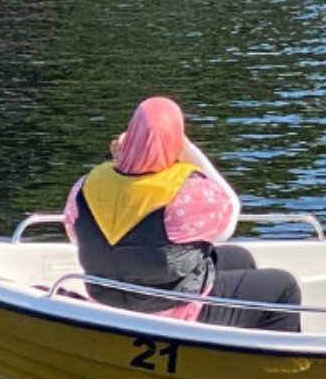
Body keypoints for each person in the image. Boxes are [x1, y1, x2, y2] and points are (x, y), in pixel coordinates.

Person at [64, 95, 302, 331]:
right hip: (174, 311)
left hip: (109, 304)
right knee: (284, 287)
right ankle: (272, 355)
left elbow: (79, 237)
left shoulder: (84, 188)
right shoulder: (185, 195)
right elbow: (229, 216)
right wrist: (188, 150)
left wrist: (123, 160)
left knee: (240, 258)